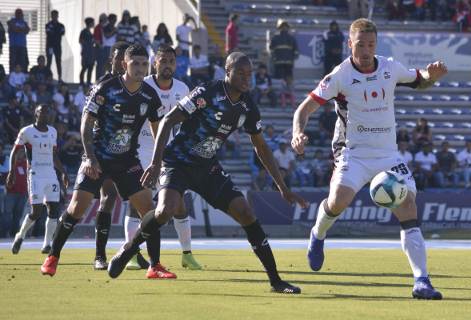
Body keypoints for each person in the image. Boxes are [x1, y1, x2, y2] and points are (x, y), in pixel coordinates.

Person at [108, 52, 308, 294]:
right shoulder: (208, 93)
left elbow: (261, 147)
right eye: (241, 73)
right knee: (164, 211)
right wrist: (157, 161)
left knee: (245, 212)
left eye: (250, 74)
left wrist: (282, 187)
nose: (247, 79)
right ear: (228, 72)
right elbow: (169, 120)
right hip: (177, 163)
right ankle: (129, 249)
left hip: (207, 168)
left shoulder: (247, 106)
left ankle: (276, 281)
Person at [291, 18, 447, 299]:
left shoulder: (389, 67)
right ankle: (318, 233)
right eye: (360, 44)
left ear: (377, 45)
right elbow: (304, 109)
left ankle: (421, 281)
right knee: (338, 201)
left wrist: (431, 76)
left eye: (371, 44)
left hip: (387, 154)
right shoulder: (340, 75)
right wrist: (297, 133)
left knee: (409, 208)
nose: (366, 50)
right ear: (349, 44)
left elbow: (419, 81)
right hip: (354, 153)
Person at [40, 44, 163, 277]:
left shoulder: (149, 95)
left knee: (149, 210)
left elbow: (158, 131)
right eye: (135, 63)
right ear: (124, 64)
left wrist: (157, 162)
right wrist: (89, 158)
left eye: (144, 64)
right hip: (98, 157)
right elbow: (86, 124)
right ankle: (52, 257)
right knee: (77, 207)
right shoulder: (105, 89)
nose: (140, 68)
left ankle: (155, 266)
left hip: (127, 160)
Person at [131, 44, 201, 271]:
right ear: (155, 62)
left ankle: (187, 255)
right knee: (138, 203)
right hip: (141, 149)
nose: (168, 65)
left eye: (172, 61)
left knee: (179, 205)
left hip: (169, 152)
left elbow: (190, 120)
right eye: (164, 61)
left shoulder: (183, 87)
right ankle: (132, 254)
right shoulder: (144, 84)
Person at [88, 41, 150, 270]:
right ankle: (99, 255)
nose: (118, 62)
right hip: (103, 151)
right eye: (116, 58)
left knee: (138, 203)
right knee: (109, 197)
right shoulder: (103, 85)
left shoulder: (138, 86)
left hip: (127, 152)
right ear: (115, 61)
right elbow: (90, 118)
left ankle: (132, 251)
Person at [8, 104, 69, 254]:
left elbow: (54, 155)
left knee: (54, 209)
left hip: (51, 174)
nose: (45, 114)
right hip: (35, 174)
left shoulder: (53, 132)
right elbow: (14, 152)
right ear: (36, 113)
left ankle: (47, 244)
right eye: (42, 112)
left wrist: (63, 172)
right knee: (36, 212)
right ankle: (20, 236)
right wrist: (12, 172)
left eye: (47, 112)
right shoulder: (27, 131)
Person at [45, 10, 65, 81]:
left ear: (57, 16)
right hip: (50, 46)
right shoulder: (48, 25)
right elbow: (49, 33)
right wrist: (56, 32)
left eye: (55, 15)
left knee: (58, 61)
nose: (54, 17)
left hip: (57, 46)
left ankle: (60, 77)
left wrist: (54, 32)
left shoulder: (61, 25)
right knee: (49, 61)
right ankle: (47, 76)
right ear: (51, 16)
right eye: (53, 15)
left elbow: (62, 33)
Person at [79, 17, 95, 85]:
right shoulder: (84, 31)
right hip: (86, 53)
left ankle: (88, 81)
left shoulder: (90, 32)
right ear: (89, 23)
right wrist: (87, 44)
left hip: (90, 53)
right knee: (84, 67)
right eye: (92, 22)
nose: (93, 24)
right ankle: (81, 82)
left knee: (90, 67)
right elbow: (80, 41)